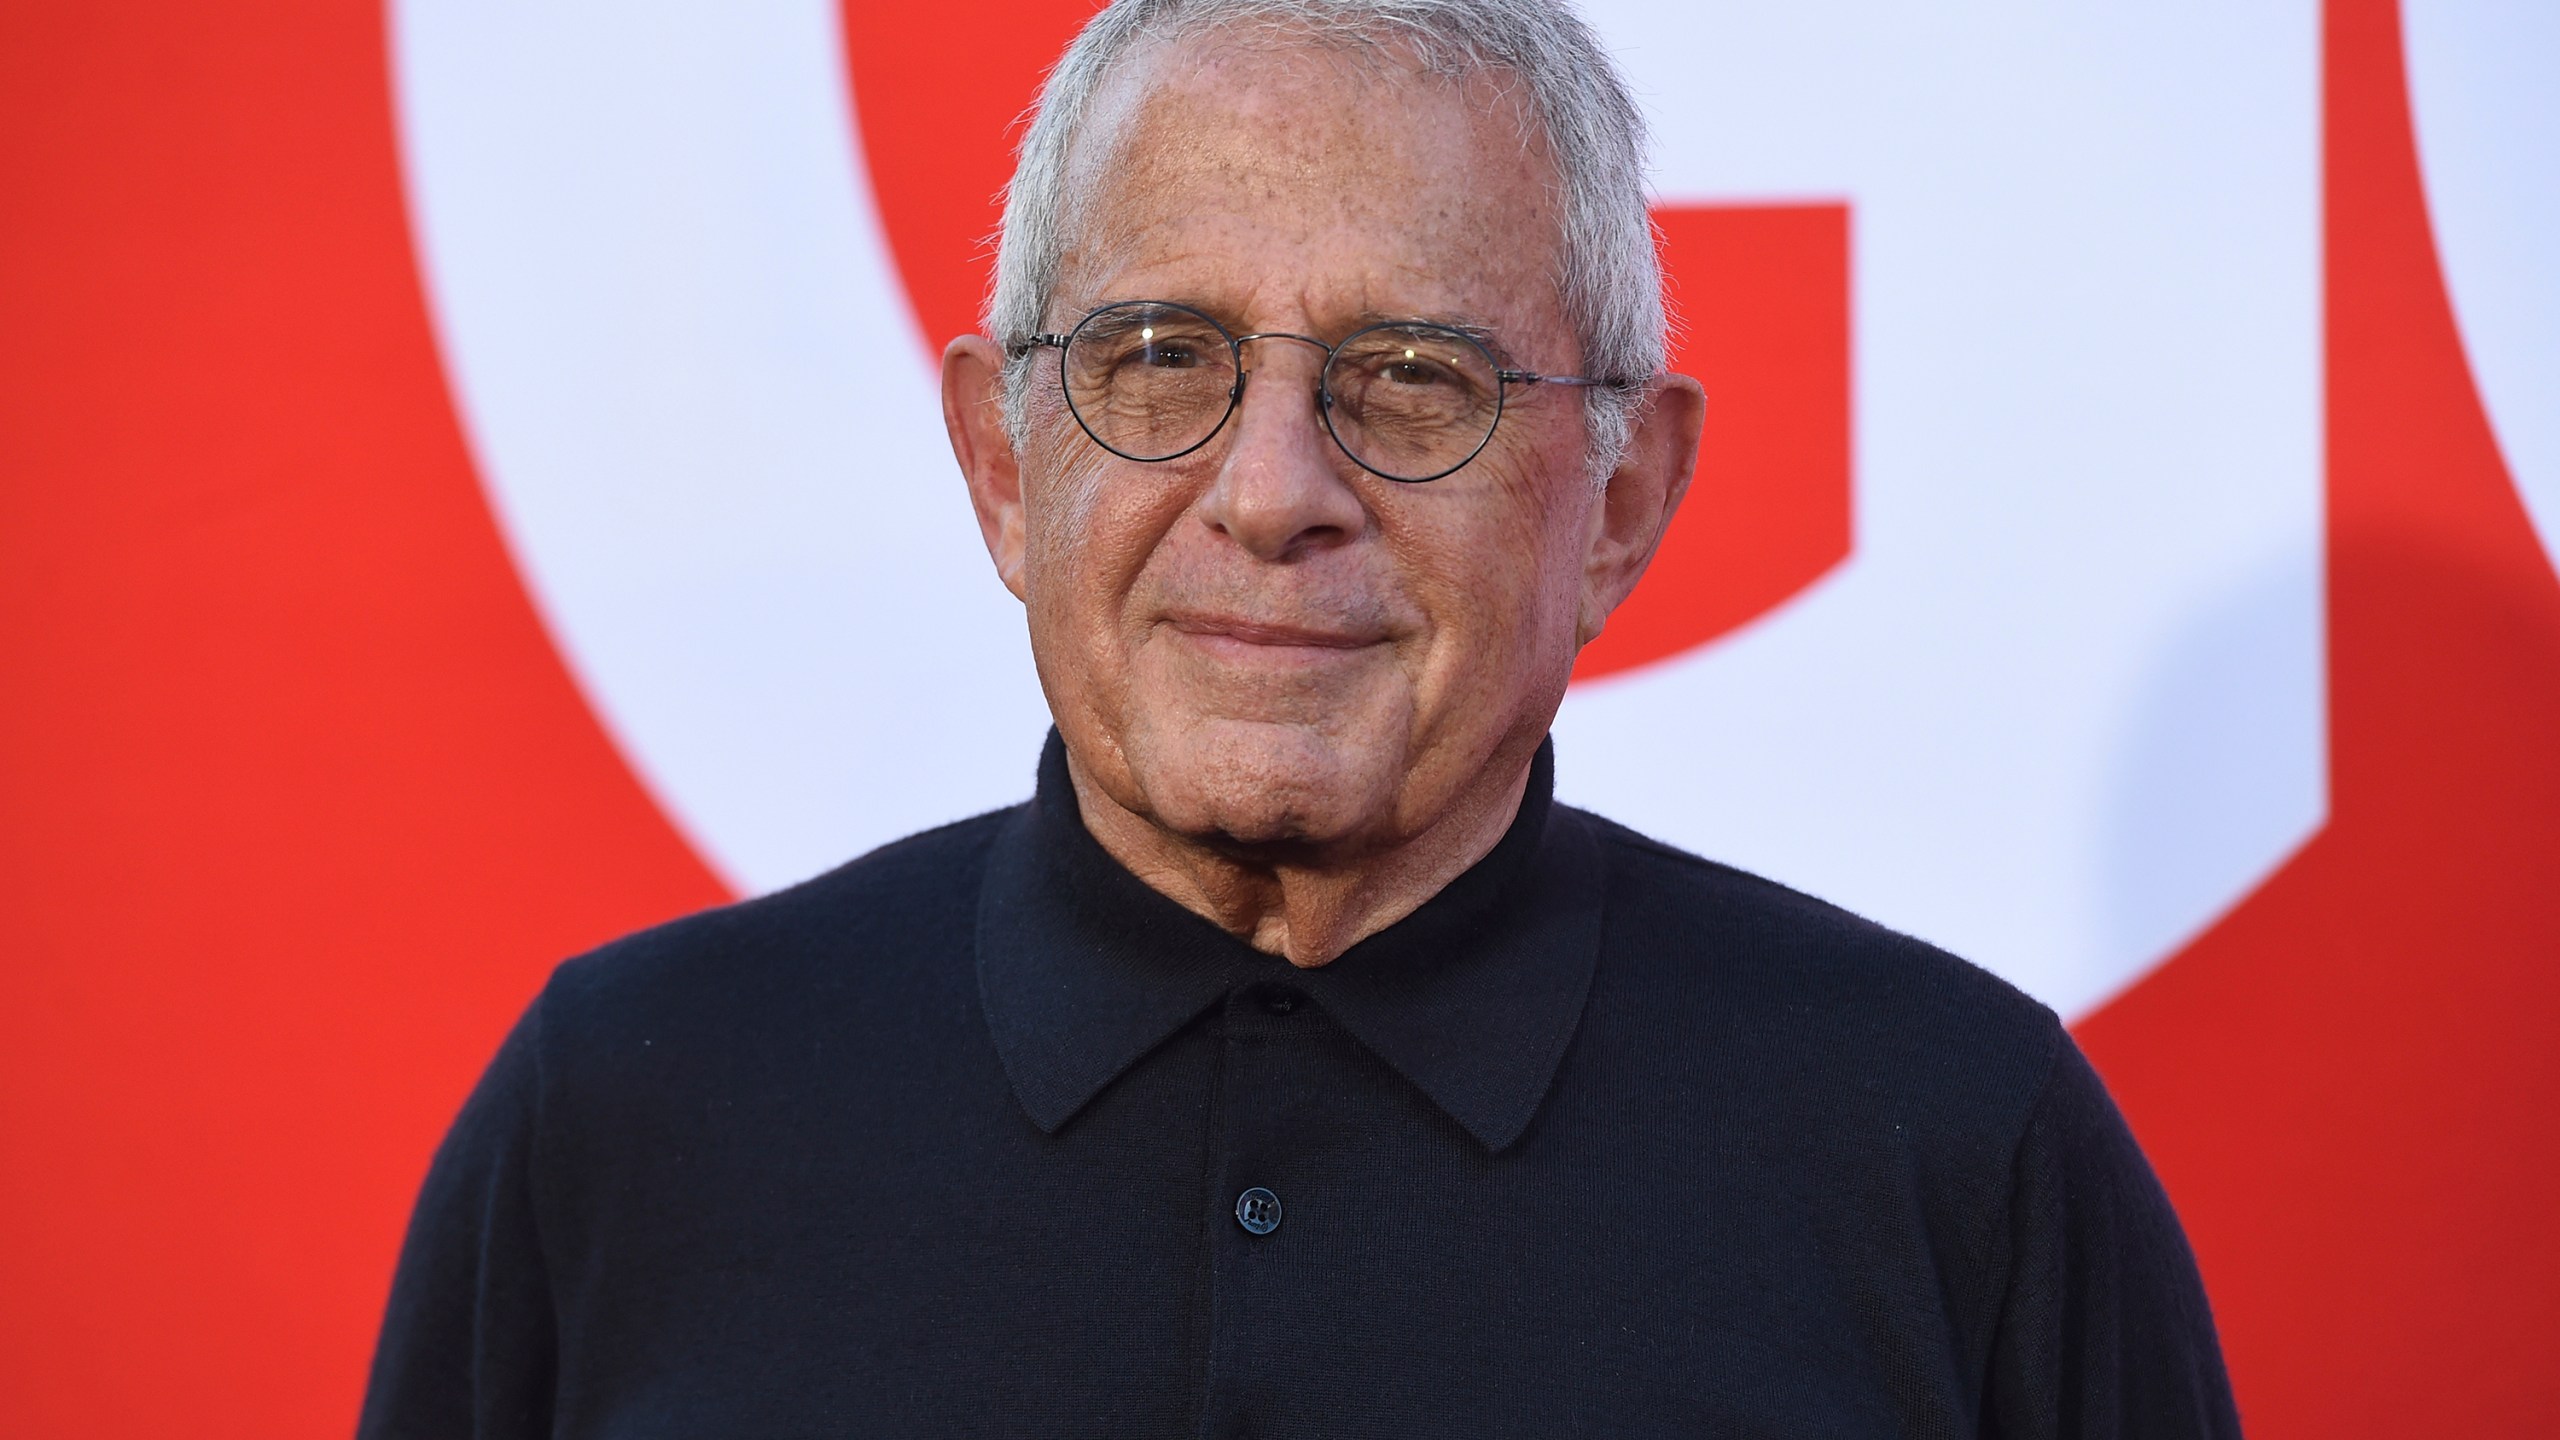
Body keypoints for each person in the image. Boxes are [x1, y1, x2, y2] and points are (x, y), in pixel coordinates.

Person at [359, 0, 2240, 1434]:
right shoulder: (622, 1120)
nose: (1273, 492)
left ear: (1624, 500)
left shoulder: (1956, 1157)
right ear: (1003, 469)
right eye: (1159, 361)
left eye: (1412, 380)